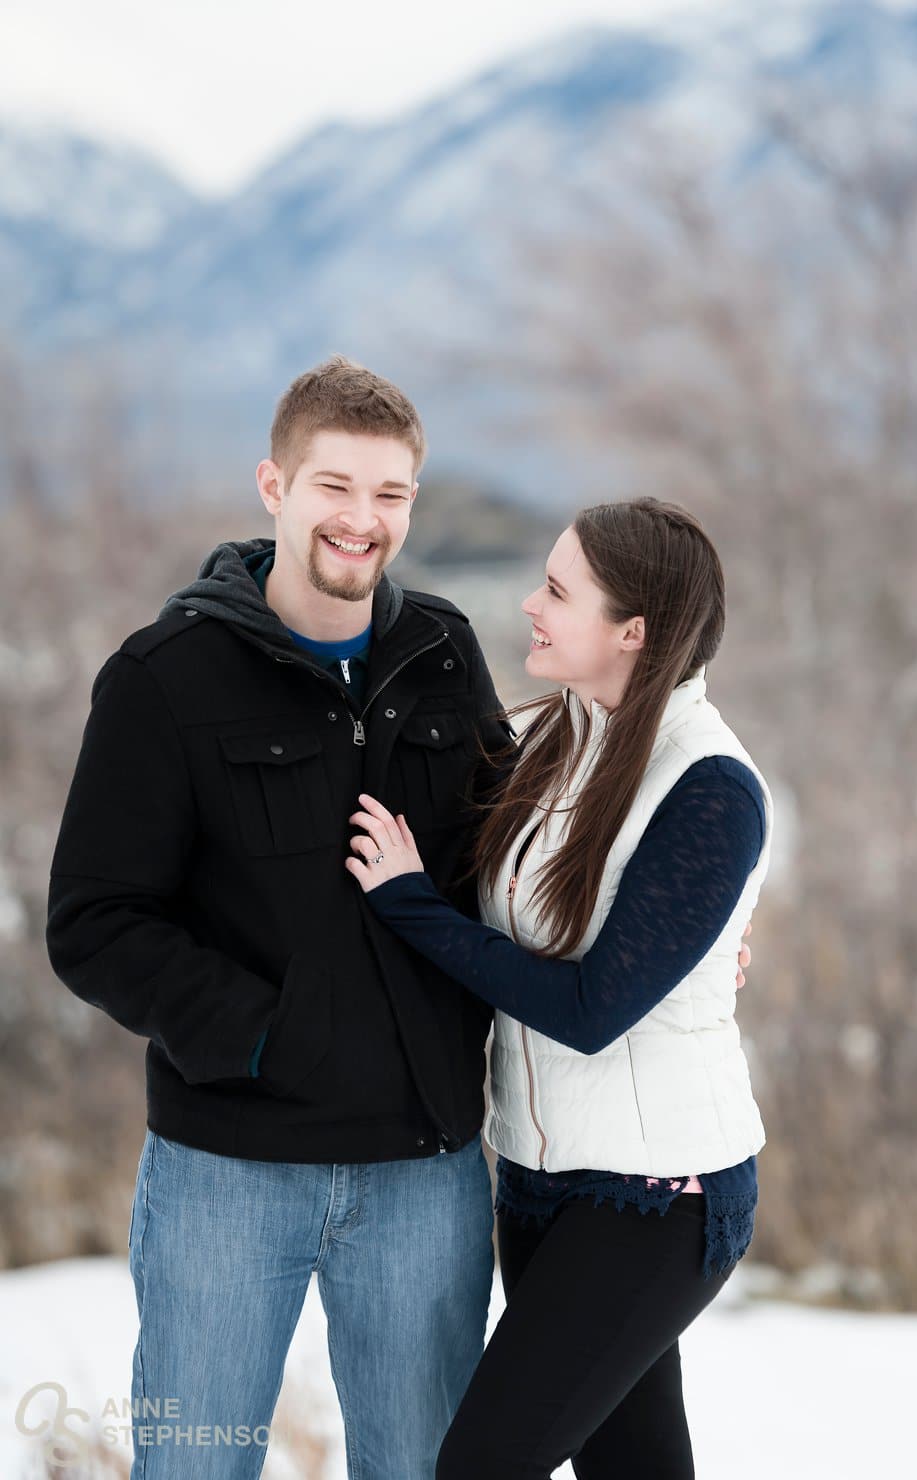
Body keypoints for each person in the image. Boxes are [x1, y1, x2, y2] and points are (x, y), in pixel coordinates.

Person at [44, 356, 515, 1480]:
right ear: (274, 485)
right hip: (229, 1170)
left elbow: (512, 859)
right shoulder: (165, 676)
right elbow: (94, 919)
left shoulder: (443, 654)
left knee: (424, 1468)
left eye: (390, 494)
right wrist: (264, 1036)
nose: (362, 521)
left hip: (423, 1170)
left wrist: (668, 946)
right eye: (333, 487)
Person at [347, 498, 771, 1480]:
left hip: (658, 1198)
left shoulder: (708, 786)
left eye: (558, 590)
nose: (531, 604)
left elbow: (591, 1009)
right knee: (633, 1467)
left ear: (632, 632)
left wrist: (409, 903)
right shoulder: (552, 739)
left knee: (481, 1464)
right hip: (540, 1182)